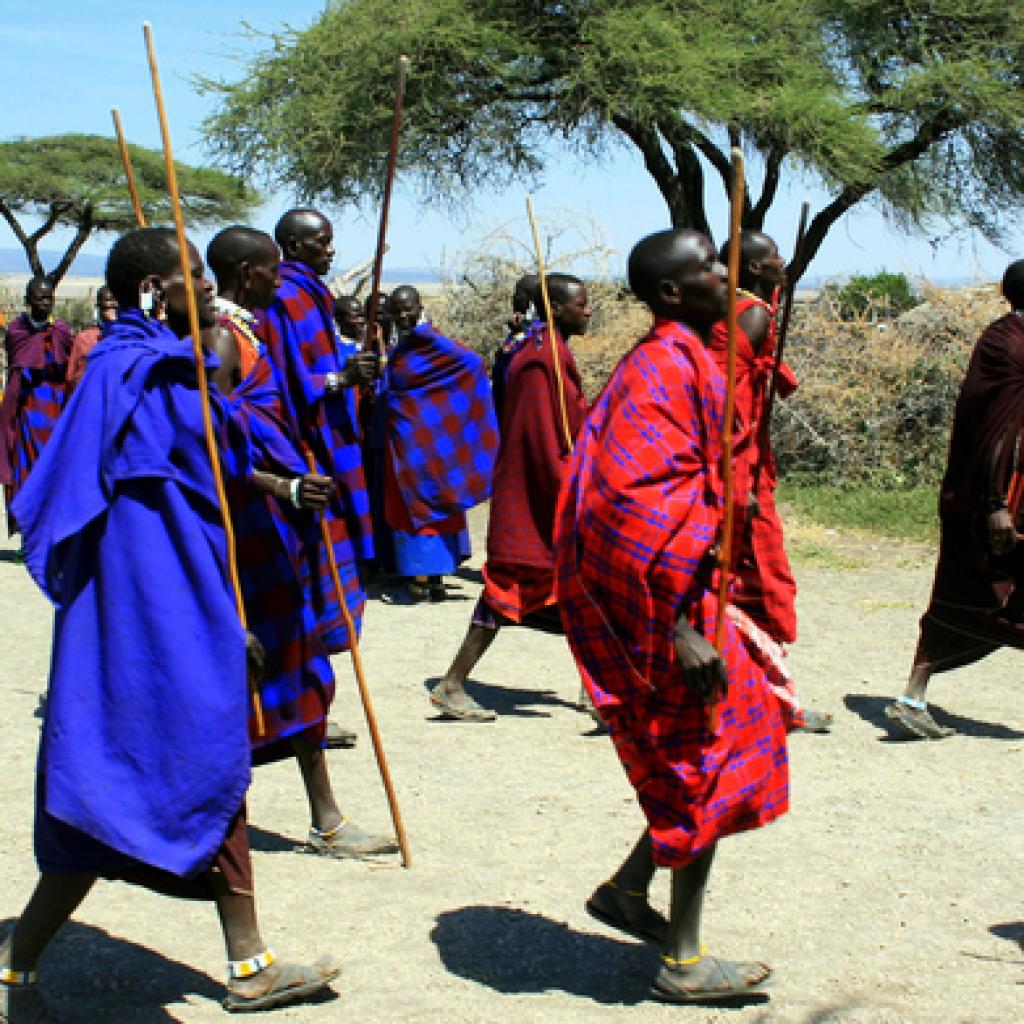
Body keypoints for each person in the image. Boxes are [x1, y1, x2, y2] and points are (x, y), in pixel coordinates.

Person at [0, 227, 340, 1021]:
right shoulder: (137, 373)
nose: (209, 288)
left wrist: (282, 490)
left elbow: (208, 467)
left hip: (173, 597)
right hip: (148, 608)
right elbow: (143, 512)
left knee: (137, 777)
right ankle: (241, 967)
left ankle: (22, 967)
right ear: (156, 288)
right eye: (193, 277)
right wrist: (210, 623)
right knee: (186, 755)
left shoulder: (160, 365)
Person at [554, 229, 794, 1003]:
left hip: (691, 594)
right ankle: (683, 963)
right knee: (705, 761)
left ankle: (628, 891)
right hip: (666, 608)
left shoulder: (693, 357)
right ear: (670, 292)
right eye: (707, 267)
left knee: (715, 748)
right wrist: (678, 627)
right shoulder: (658, 369)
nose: (724, 275)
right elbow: (627, 504)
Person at [205, 225, 396, 856]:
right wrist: (283, 490)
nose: (276, 276)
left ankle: (326, 819)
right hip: (251, 524)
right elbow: (211, 447)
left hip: (278, 518)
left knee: (297, 658)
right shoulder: (221, 342)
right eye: (267, 268)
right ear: (246, 274)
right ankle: (240, 816)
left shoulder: (249, 331)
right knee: (265, 663)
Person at [430, 274, 590, 720]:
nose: (589, 311)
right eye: (581, 304)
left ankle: (595, 688)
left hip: (535, 489)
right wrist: (574, 488)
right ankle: (453, 683)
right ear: (555, 308)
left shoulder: (538, 348)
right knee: (519, 588)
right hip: (538, 491)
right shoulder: (544, 360)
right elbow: (543, 439)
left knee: (576, 592)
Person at [887, 260, 1024, 739]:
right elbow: (995, 431)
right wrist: (994, 505)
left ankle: (913, 696)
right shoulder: (1006, 345)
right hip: (995, 500)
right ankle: (912, 695)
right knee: (964, 594)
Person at [708, 231, 831, 733]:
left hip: (736, 460)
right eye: (775, 257)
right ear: (756, 268)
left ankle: (758, 695)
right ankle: (768, 702)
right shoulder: (751, 314)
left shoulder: (729, 307)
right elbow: (729, 397)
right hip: (738, 465)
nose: (783, 264)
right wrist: (739, 480)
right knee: (755, 577)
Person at [260, 209, 379, 655]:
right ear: (293, 246)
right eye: (321, 242)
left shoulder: (313, 295)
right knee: (309, 566)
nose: (330, 250)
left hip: (330, 437)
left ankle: (314, 691)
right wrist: (339, 381)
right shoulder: (284, 298)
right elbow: (284, 379)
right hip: (303, 446)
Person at [378, 285, 497, 602]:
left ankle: (432, 579)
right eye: (397, 309)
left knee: (436, 500)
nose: (404, 314)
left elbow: (471, 364)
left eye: (409, 307)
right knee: (409, 507)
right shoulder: (399, 345)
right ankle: (420, 578)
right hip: (406, 438)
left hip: (431, 439)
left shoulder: (431, 341)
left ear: (420, 306)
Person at [0, 277, 73, 535]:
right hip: (24, 414)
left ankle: (49, 534)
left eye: (49, 298)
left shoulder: (62, 332)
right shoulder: (17, 331)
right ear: (28, 301)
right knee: (25, 475)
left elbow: (67, 369)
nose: (45, 303)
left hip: (53, 411)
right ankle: (27, 535)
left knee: (52, 473)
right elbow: (19, 366)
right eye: (40, 298)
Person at [491, 274, 539, 422]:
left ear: (531, 302)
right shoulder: (520, 331)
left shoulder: (536, 335)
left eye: (518, 295)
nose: (514, 299)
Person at [65, 286, 118, 392]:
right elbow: (70, 377)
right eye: (106, 306)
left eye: (115, 305)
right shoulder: (84, 339)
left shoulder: (128, 338)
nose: (111, 310)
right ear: (99, 307)